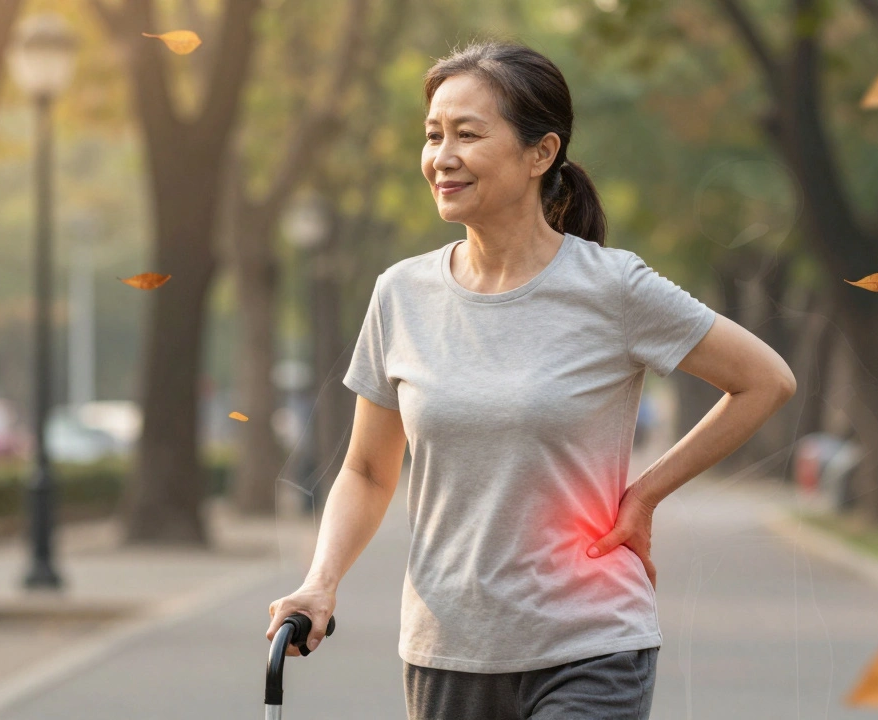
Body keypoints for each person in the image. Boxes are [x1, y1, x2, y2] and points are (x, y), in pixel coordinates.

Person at [264, 39, 796, 720]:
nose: (441, 156)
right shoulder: (401, 294)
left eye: (467, 134)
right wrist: (320, 581)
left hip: (590, 644)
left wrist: (644, 495)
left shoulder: (612, 287)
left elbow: (765, 380)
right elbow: (367, 471)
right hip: (447, 649)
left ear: (541, 153)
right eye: (433, 134)